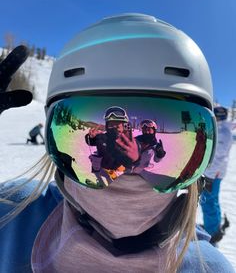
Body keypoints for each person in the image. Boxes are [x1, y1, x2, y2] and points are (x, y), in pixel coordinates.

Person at [0, 14, 234, 273]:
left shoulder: (207, 268)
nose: (126, 182)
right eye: (105, 120)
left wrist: (140, 158)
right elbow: (88, 139)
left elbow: (161, 153)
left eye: (128, 125)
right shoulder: (12, 212)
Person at [200, 105, 233, 245]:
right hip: (214, 173)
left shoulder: (224, 132)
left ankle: (211, 232)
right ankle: (214, 226)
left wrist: (209, 176)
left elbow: (220, 157)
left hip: (214, 174)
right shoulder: (221, 129)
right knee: (212, 199)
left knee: (207, 201)